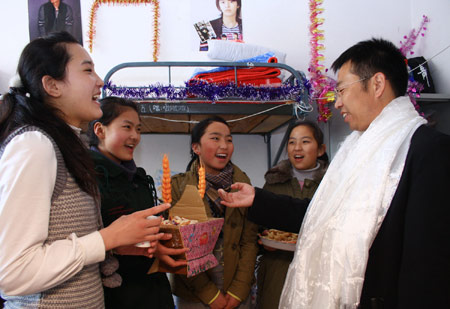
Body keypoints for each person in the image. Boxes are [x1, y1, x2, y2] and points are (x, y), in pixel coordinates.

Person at [218, 38, 450, 308]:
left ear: (376, 84)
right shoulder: (355, 151)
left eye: (341, 90)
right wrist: (258, 199)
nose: (337, 103)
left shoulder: (428, 151)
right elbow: (322, 216)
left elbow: (427, 270)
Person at [0, 32, 170, 308]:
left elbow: (67, 240)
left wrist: (117, 244)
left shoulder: (65, 146)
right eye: (88, 70)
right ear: (52, 85)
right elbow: (13, 272)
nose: (100, 81)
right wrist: (108, 237)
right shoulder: (34, 145)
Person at [88, 96, 188, 309]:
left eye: (139, 129)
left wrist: (161, 249)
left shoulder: (140, 179)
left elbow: (148, 232)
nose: (135, 136)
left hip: (155, 290)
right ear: (100, 130)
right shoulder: (88, 178)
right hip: (117, 294)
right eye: (127, 127)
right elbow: (85, 243)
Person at [170, 116, 258, 308]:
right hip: (194, 291)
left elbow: (249, 241)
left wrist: (238, 291)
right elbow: (179, 247)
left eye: (229, 139)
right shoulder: (178, 186)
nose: (224, 146)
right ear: (196, 148)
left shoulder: (243, 183)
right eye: (215, 138)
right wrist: (209, 294)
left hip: (235, 286)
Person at [256, 120, 328, 309]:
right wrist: (263, 239)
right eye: (291, 142)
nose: (297, 148)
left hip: (318, 272)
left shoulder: (332, 186)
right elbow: (259, 227)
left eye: (305, 142)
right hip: (277, 271)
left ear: (320, 149)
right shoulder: (273, 182)